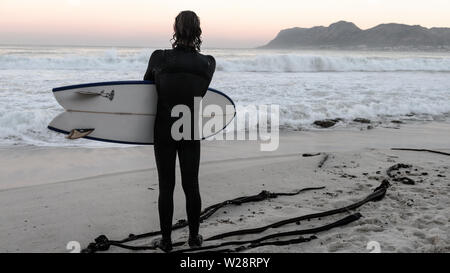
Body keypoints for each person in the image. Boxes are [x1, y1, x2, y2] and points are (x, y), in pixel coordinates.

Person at [143, 10, 216, 252]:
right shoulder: (208, 63)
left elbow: (144, 91)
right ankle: (194, 238)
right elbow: (200, 93)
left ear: (175, 29)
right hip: (189, 127)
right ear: (198, 30)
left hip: (164, 126)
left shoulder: (159, 58)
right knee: (191, 184)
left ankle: (166, 242)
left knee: (166, 185)